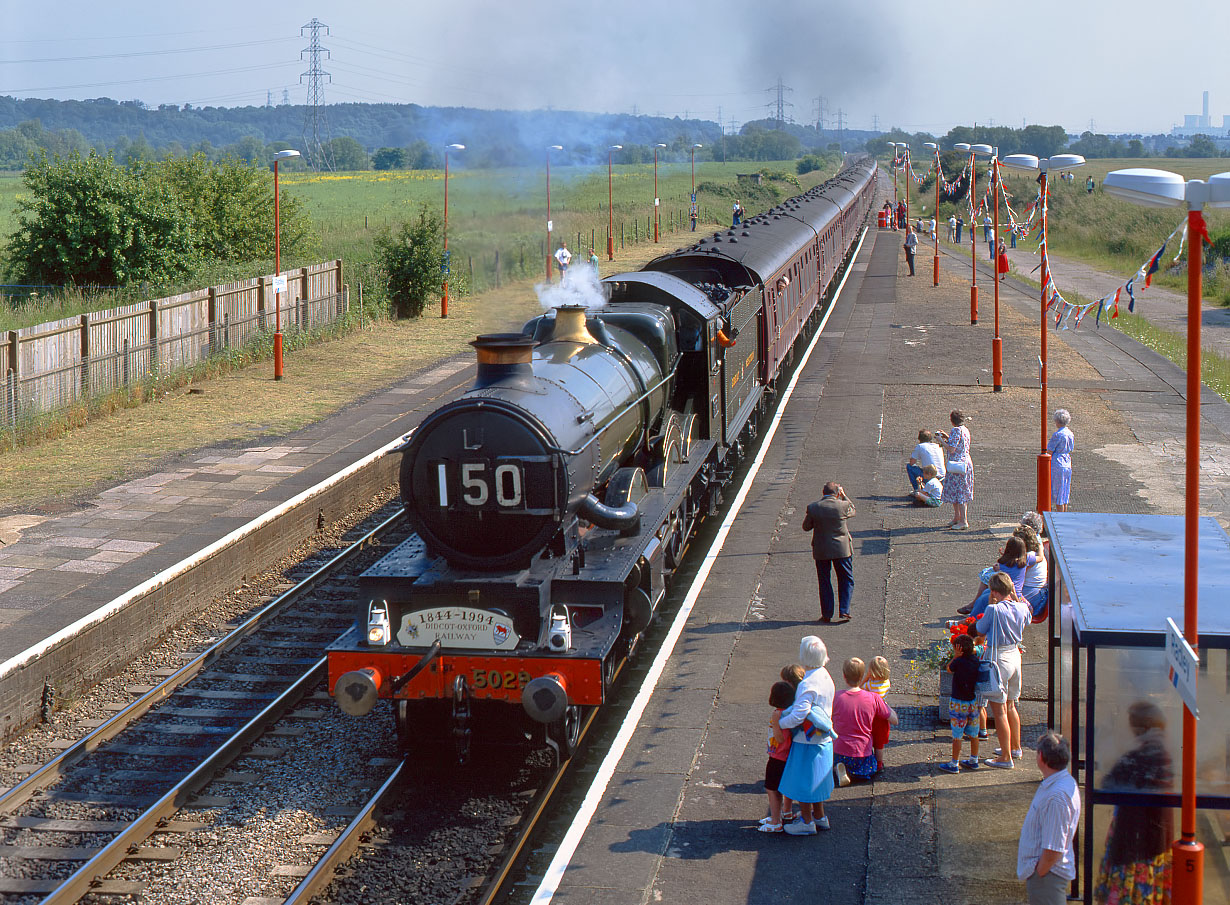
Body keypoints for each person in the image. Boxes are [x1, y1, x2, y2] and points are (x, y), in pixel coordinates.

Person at [1094, 701, 1174, 904]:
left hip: (1132, 841)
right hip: (1157, 840)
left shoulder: (1135, 757)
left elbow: (1107, 782)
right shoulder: (1166, 754)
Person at [777, 636, 837, 834]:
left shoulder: (807, 683)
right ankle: (820, 817)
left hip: (806, 740)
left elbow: (798, 715)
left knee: (804, 783)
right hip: (824, 739)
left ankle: (806, 821)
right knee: (817, 782)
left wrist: (781, 722)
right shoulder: (825, 675)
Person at [1018, 733, 1081, 905]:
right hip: (1046, 875)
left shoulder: (1057, 798)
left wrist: (1039, 873)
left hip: (1047, 877)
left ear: (1041, 757)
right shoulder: (1061, 783)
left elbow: (1054, 848)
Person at [977, 572, 1031, 769]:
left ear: (993, 591)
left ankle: (1005, 757)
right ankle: (1015, 747)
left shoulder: (994, 609)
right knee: (1011, 705)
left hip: (998, 658)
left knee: (998, 709)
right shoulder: (1022, 607)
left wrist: (991, 604)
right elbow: (1028, 620)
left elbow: (980, 629)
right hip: (1015, 656)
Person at [832, 657, 898, 782]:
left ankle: (838, 768)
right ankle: (857, 772)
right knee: (871, 768)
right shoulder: (873, 698)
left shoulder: (836, 697)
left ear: (844, 676)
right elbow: (894, 720)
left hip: (840, 750)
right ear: (863, 675)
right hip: (862, 753)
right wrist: (886, 705)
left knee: (833, 757)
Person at [802, 482, 857, 622]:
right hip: (842, 550)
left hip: (821, 549)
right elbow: (852, 510)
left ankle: (827, 614)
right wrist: (844, 496)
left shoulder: (813, 507)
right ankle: (844, 611)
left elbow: (806, 527)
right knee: (846, 579)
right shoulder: (843, 505)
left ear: (823, 492)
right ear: (837, 493)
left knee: (824, 581)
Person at [959, 535, 1037, 616]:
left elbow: (1002, 565)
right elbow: (1040, 557)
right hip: (1016, 594)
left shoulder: (1003, 563)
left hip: (1001, 592)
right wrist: (1040, 547)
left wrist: (1002, 557)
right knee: (1030, 610)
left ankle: (972, 616)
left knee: (985, 594)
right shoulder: (1026, 559)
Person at [939, 633, 982, 773]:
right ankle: (974, 760)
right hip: (972, 702)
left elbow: (949, 668)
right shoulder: (975, 660)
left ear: (959, 649)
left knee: (957, 734)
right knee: (974, 733)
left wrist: (955, 656)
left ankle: (954, 763)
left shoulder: (959, 661)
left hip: (958, 702)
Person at [760, 680, 799, 833]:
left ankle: (776, 821)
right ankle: (784, 813)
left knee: (772, 788)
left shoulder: (779, 715)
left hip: (778, 756)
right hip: (786, 757)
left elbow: (780, 738)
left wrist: (776, 724)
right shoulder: (791, 712)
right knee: (783, 788)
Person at [937, 410, 973, 529]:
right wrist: (947, 436)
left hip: (957, 464)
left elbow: (952, 449)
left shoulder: (956, 430)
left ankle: (963, 521)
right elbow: (959, 444)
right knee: (958, 491)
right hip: (965, 462)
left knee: (959, 492)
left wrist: (941, 440)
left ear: (952, 420)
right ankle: (957, 518)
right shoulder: (965, 430)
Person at [861, 656, 893, 771]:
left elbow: (860, 688)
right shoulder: (887, 683)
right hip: (882, 715)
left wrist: (866, 677)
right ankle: (879, 764)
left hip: (871, 715)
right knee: (879, 744)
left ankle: (869, 761)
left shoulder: (869, 685)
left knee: (869, 738)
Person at [1048, 409, 1074, 511]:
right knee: (1064, 490)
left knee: (1056, 490)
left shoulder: (1057, 435)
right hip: (1067, 461)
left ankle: (1057, 515)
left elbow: (1049, 450)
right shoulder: (1070, 433)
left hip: (1057, 462)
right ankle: (1064, 514)